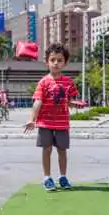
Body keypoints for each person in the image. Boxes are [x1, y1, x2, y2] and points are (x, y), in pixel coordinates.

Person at [24, 43, 82, 191]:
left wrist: (77, 104)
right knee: (47, 149)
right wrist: (32, 119)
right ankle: (47, 178)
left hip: (62, 124)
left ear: (65, 62)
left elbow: (71, 101)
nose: (56, 63)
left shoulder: (69, 83)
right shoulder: (43, 82)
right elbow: (38, 101)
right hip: (45, 123)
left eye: (60, 60)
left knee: (62, 150)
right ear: (47, 62)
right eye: (53, 60)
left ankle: (63, 177)